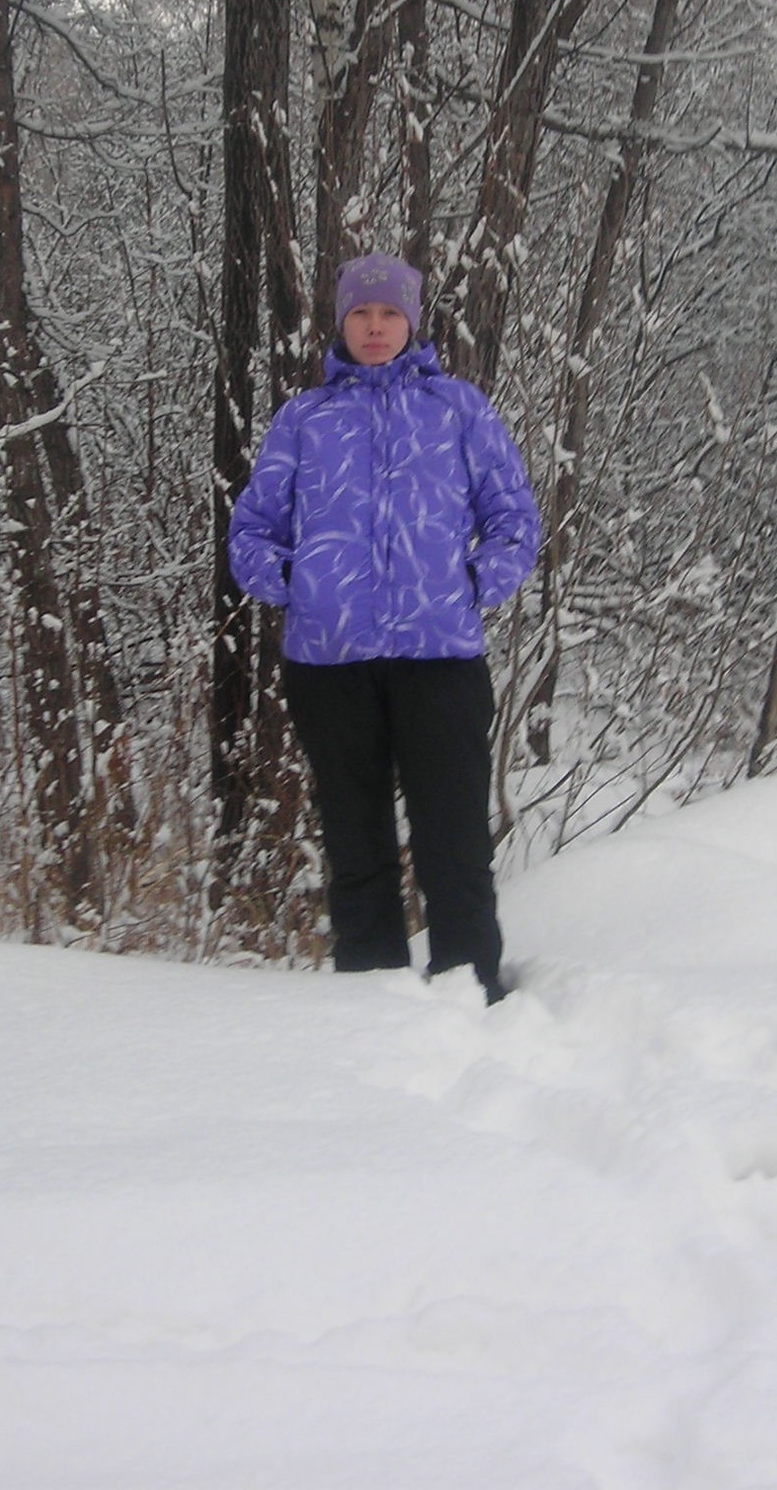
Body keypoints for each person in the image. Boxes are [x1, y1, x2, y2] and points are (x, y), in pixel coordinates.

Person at [227, 253, 541, 1002]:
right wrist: (299, 586)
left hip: (440, 658)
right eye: (361, 313)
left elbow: (514, 519)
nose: (375, 326)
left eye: (390, 313)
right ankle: (372, 1003)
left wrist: (474, 584)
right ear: (341, 322)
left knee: (453, 841)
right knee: (356, 844)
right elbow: (252, 531)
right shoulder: (304, 419)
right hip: (329, 663)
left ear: (412, 322)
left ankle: (473, 991)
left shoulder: (458, 409)